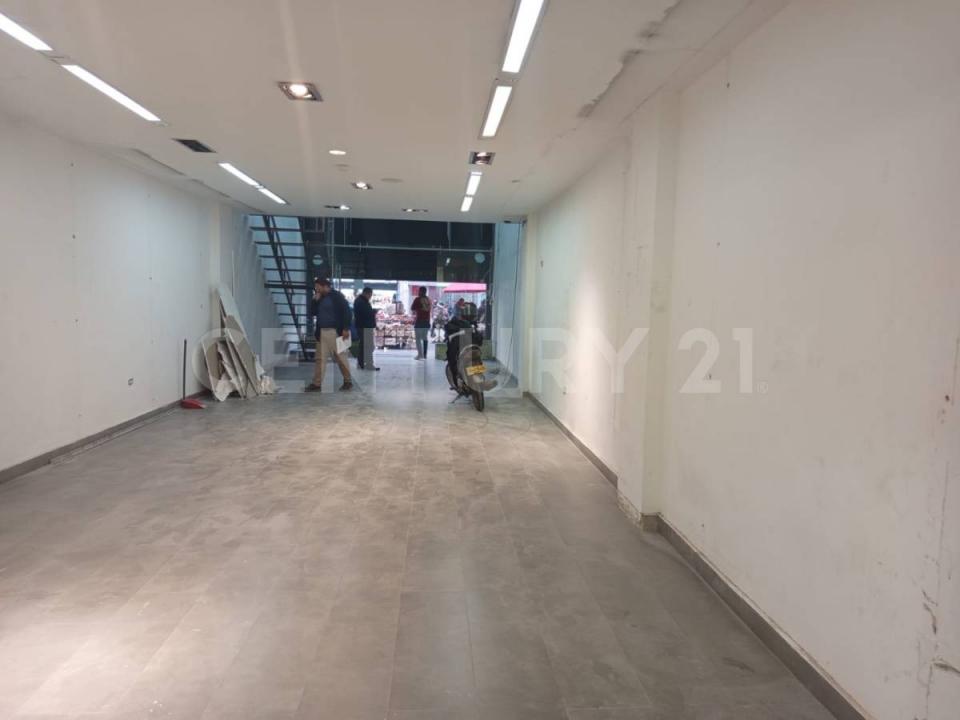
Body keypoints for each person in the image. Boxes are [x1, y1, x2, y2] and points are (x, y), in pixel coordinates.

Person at [307, 277, 353, 391]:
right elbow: (312, 312)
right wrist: (314, 301)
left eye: (318, 287)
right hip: (321, 332)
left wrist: (346, 328)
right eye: (316, 287)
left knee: (341, 358)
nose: (316, 289)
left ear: (325, 286)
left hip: (336, 332)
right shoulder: (319, 297)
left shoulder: (337, 296)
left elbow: (347, 312)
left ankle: (348, 381)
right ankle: (317, 384)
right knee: (320, 359)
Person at [445, 301, 480, 388]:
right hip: (460, 347)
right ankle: (456, 380)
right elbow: (448, 327)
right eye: (470, 312)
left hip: (469, 348)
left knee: (477, 359)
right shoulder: (456, 321)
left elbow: (479, 340)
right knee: (453, 358)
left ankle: (480, 379)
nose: (471, 314)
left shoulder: (473, 324)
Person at [353, 287, 379, 371]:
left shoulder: (361, 301)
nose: (370, 297)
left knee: (364, 346)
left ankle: (361, 364)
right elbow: (365, 314)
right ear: (366, 293)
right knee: (368, 346)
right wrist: (373, 312)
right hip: (365, 327)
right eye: (370, 295)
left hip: (364, 326)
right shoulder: (361, 302)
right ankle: (368, 364)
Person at [411, 286, 432, 360]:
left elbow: (412, 308)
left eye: (419, 291)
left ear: (421, 291)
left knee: (418, 338)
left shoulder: (417, 299)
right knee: (425, 338)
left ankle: (420, 354)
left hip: (419, 321)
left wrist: (418, 309)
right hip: (427, 321)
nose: (418, 292)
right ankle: (425, 355)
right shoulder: (429, 300)